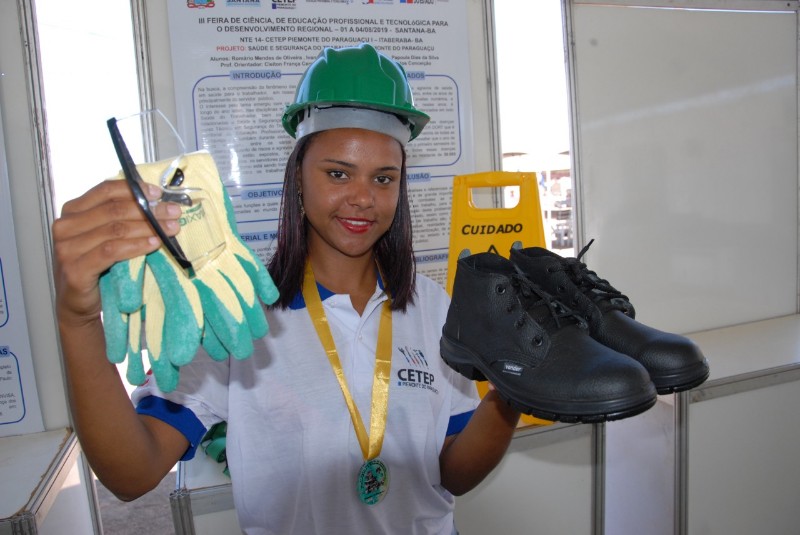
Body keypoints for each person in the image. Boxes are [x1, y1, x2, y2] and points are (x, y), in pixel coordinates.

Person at [52, 43, 520, 534]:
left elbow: (453, 471)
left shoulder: (433, 307)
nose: (363, 198)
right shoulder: (237, 313)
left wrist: (510, 393)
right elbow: (132, 473)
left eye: (384, 179)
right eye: (337, 173)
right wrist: (77, 321)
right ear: (298, 177)